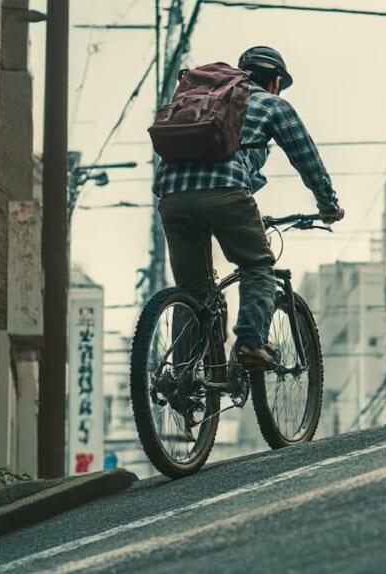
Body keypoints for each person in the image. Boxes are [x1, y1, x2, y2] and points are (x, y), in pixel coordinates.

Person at [154, 46, 343, 386]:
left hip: (172, 196)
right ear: (275, 80)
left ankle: (182, 377)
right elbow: (306, 158)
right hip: (227, 193)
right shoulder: (272, 105)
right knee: (257, 265)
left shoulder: (204, 104)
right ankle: (252, 343)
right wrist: (328, 204)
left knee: (193, 290)